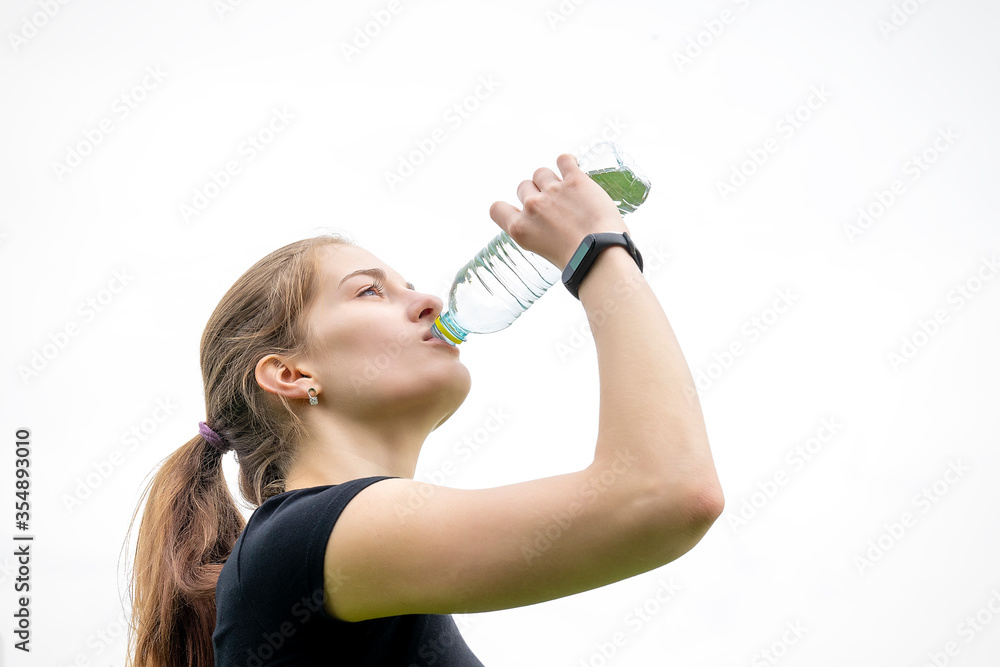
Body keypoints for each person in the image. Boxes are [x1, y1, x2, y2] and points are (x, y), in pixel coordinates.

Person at [123, 151, 724, 666]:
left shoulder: (322, 555)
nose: (429, 300)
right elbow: (666, 492)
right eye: (369, 290)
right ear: (291, 374)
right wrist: (597, 253)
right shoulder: (303, 539)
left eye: (408, 284)